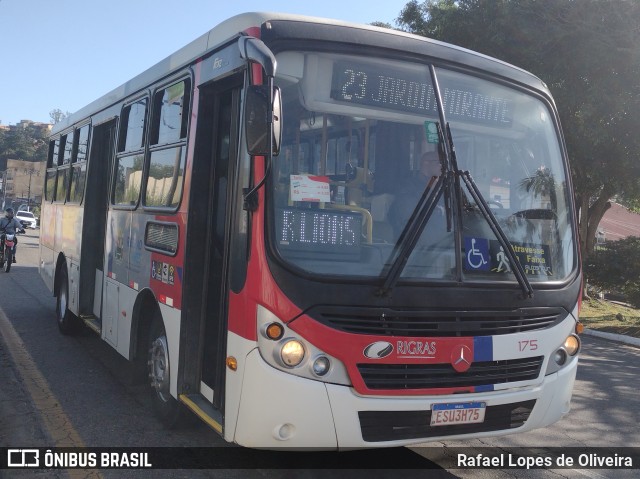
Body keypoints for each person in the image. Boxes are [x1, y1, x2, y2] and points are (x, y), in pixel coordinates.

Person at [390, 151, 442, 235]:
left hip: (445, 241)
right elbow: (409, 215)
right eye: (439, 162)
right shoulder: (407, 186)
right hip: (416, 241)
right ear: (426, 163)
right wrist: (430, 190)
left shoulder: (444, 185)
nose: (442, 166)